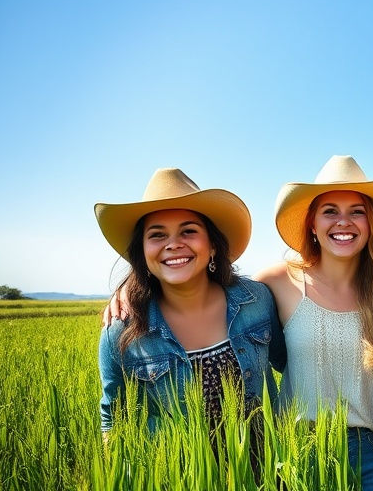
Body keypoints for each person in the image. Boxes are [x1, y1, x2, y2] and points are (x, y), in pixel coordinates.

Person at [254, 155, 373, 491]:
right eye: (330, 211)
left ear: (371, 224)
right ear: (312, 223)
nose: (344, 222)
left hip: (370, 454)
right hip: (297, 452)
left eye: (357, 211)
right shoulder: (278, 283)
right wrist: (133, 292)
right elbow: (204, 297)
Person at [97, 168, 286, 436]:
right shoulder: (120, 331)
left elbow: (290, 363)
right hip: (178, 475)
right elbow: (113, 420)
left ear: (212, 246)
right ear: (142, 251)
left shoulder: (257, 301)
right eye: (157, 235)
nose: (173, 244)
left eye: (188, 231)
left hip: (268, 471)